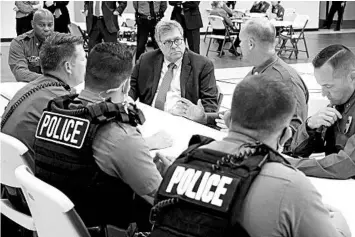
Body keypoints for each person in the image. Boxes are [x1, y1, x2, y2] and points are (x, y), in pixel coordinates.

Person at [150, 74, 351, 237]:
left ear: (228, 119)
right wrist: (341, 226)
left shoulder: (184, 161)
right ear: (286, 134)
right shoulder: (291, 187)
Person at [32, 42, 165, 229]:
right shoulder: (119, 135)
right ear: (126, 85)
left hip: (55, 226)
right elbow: (162, 199)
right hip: (99, 227)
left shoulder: (54, 111)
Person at [1, 33, 85, 236]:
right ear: (68, 67)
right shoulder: (62, 103)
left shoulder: (27, 89)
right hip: (38, 199)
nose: (87, 62)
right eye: (83, 57)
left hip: (14, 189)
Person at [218, 18, 309, 152]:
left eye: (240, 41)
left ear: (250, 44)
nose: (238, 46)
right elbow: (238, 115)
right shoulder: (256, 72)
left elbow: (295, 133)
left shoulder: (285, 80)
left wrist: (248, 135)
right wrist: (204, 117)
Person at [129, 20, 219, 125]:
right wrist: (128, 100)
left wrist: (202, 117)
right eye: (168, 42)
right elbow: (132, 88)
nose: (174, 45)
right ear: (159, 44)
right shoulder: (146, 60)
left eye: (177, 40)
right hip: (148, 119)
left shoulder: (202, 65)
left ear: (183, 38)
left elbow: (210, 105)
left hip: (182, 122)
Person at [288, 44, 355, 179]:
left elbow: (345, 165)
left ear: (352, 77)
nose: (324, 94)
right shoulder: (338, 105)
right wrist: (310, 126)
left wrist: (290, 165)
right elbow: (295, 150)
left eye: (328, 86)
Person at [8, 9, 55, 82]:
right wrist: (48, 80)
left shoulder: (61, 42)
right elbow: (20, 73)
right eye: (41, 25)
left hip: (57, 88)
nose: (46, 29)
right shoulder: (19, 43)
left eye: (50, 25)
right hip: (30, 87)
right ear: (32, 24)